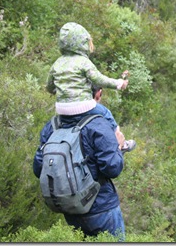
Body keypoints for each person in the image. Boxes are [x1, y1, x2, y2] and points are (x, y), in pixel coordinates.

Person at [33, 112, 127, 240]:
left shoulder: (52, 126)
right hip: (102, 208)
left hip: (71, 207)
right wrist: (119, 147)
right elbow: (113, 169)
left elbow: (38, 168)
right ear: (97, 94)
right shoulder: (98, 124)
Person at [46, 22, 134, 152]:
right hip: (83, 107)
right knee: (106, 113)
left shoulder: (57, 63)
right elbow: (98, 79)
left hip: (61, 110)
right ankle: (120, 143)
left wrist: (60, 91)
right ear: (82, 42)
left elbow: (49, 86)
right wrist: (118, 83)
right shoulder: (83, 62)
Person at [92, 85, 136, 153]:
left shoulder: (72, 107)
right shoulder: (102, 111)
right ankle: (123, 146)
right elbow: (116, 131)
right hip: (97, 147)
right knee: (116, 132)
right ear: (98, 93)